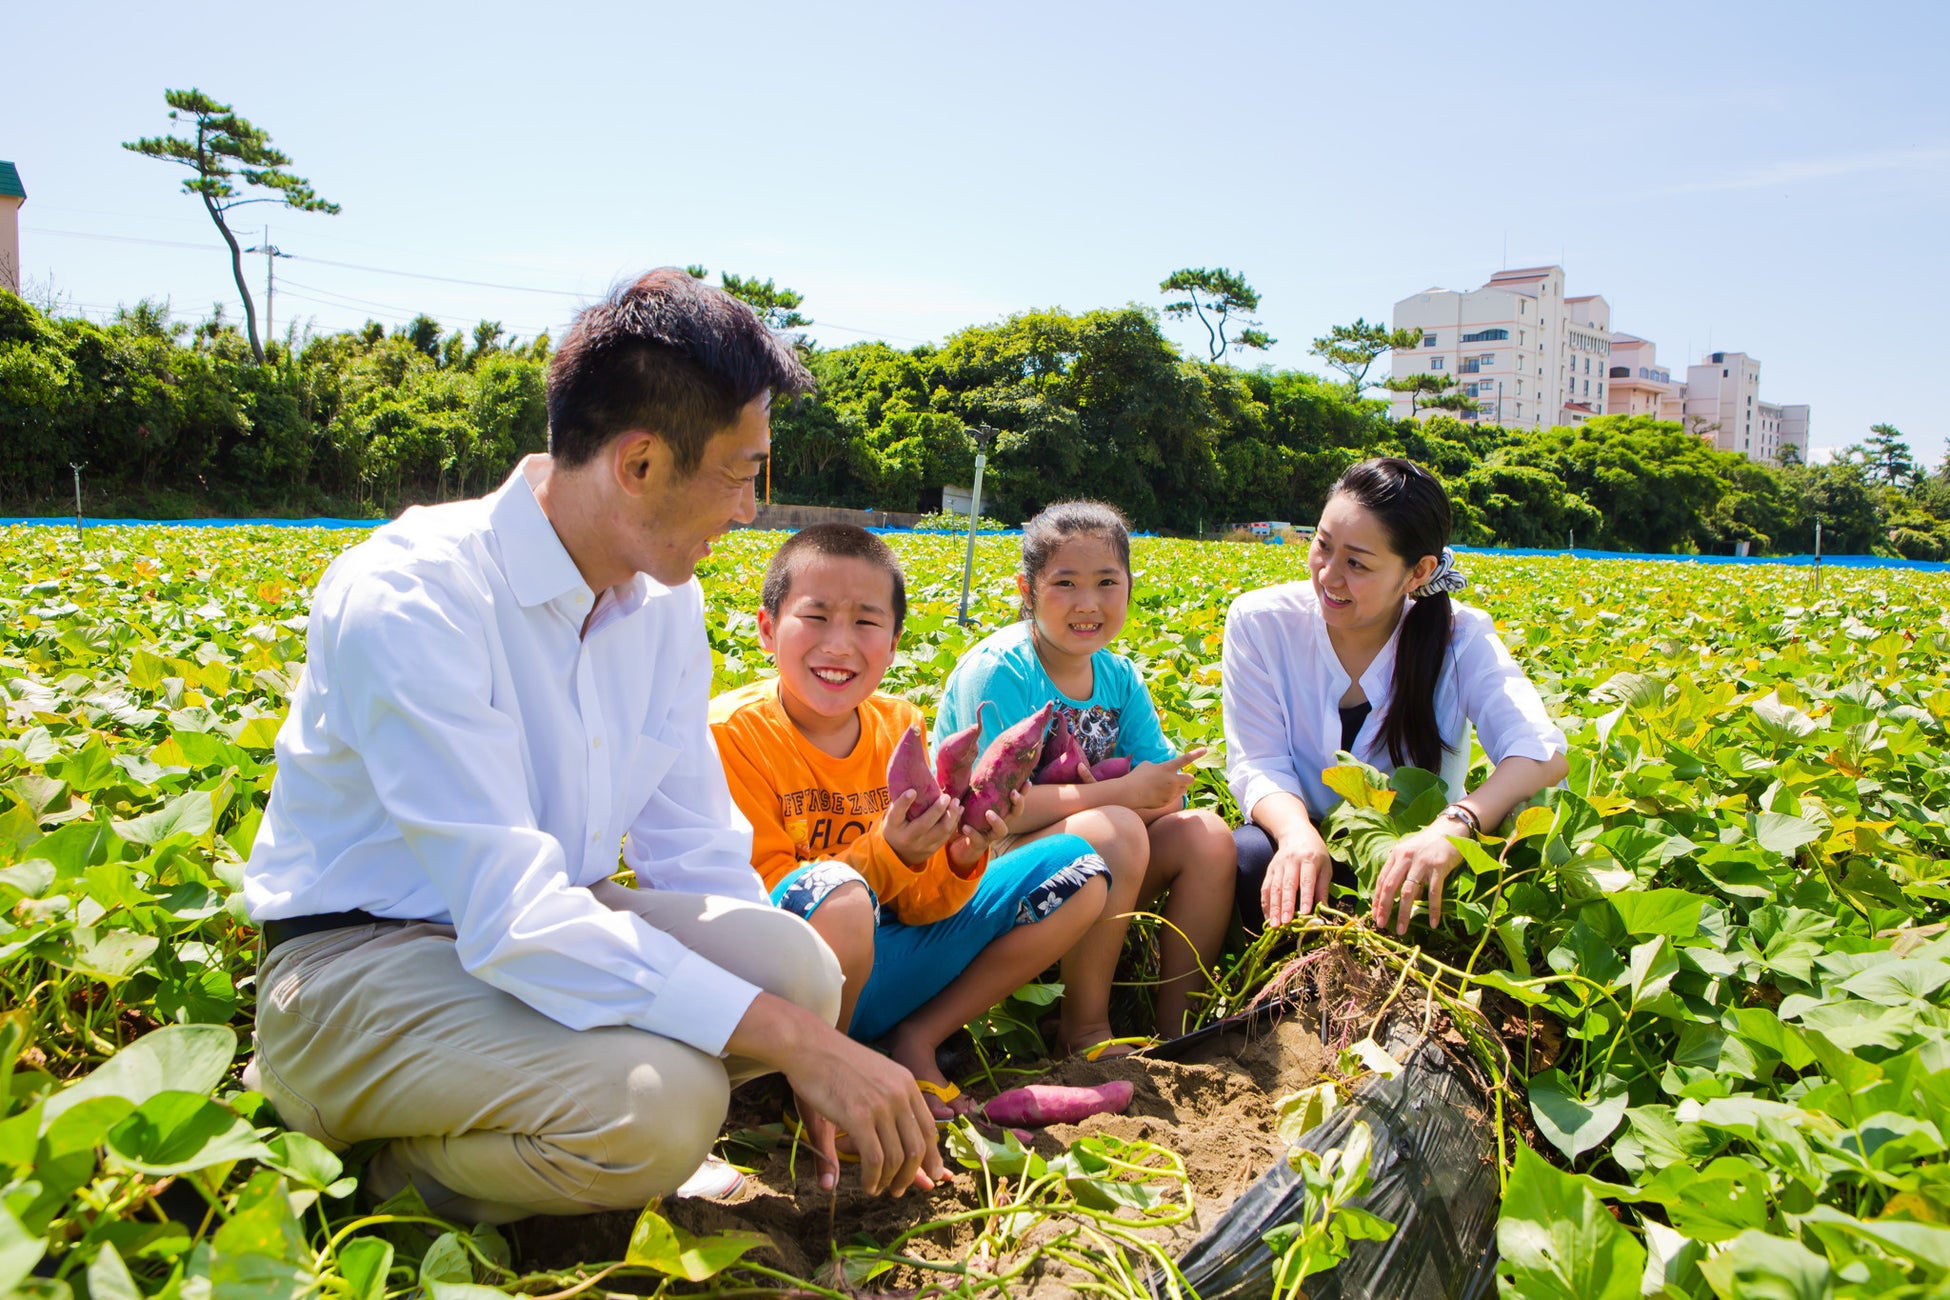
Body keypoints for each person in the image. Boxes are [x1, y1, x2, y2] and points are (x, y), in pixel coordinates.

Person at [241, 269, 948, 1225]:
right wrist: (795, 1045)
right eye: (742, 474)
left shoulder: (664, 599)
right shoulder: (415, 593)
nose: (749, 510)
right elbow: (514, 917)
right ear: (640, 463)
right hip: (358, 966)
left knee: (800, 969)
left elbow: (694, 849)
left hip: (545, 930)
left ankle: (569, 1128)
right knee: (664, 1109)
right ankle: (392, 1174)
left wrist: (796, 1023)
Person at [708, 524, 1112, 1186]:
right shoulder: (732, 735)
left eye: (866, 621)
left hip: (887, 964)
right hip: (787, 991)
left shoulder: (901, 724)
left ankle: (912, 1039)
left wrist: (958, 857)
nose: (839, 643)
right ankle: (821, 1096)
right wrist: (887, 850)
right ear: (765, 627)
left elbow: (926, 906)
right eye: (815, 617)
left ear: (894, 643)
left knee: (1079, 871)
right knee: (839, 900)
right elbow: (765, 910)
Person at [1223, 456, 1570, 936]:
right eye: (1322, 546)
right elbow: (1257, 761)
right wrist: (1297, 833)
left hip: (1413, 852)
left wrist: (1456, 824)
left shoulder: (1460, 637)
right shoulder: (1261, 621)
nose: (1328, 575)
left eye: (1357, 563)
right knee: (1248, 856)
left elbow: (1541, 751)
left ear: (1418, 572)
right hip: (1297, 843)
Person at [935, 501, 1236, 1047]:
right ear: (1026, 591)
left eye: (1106, 582)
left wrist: (1138, 795)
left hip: (1090, 861)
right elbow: (997, 812)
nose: (1088, 604)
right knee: (1114, 827)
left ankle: (1179, 1032)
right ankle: (1086, 1029)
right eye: (1065, 583)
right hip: (992, 868)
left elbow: (1166, 792)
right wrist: (1119, 793)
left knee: (1208, 836)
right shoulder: (1001, 669)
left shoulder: (1119, 677)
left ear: (1128, 586)